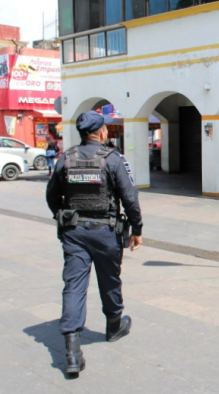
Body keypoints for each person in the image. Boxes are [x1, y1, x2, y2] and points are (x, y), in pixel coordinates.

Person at [46, 111, 144, 375]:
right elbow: (130, 198)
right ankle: (114, 326)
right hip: (105, 233)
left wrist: (65, 218)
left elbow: (52, 197)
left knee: (74, 285)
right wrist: (137, 229)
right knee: (109, 279)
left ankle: (72, 352)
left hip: (74, 233)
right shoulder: (112, 159)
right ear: (102, 133)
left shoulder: (65, 158)